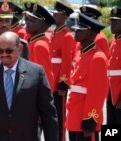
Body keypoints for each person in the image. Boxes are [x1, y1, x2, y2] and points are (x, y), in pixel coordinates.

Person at [0, 31, 58, 141]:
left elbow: (48, 113)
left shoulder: (36, 72)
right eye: (0, 51)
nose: (4, 54)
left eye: (9, 50)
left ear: (19, 49)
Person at [66, 13, 108, 141]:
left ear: (90, 33)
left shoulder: (98, 57)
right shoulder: (81, 53)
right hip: (74, 114)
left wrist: (90, 119)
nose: (76, 31)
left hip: (85, 117)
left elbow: (96, 93)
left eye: (80, 30)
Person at [50, 1, 76, 141]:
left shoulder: (67, 36)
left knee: (60, 117)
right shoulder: (55, 33)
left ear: (65, 16)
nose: (54, 15)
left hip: (58, 83)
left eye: (58, 13)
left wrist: (63, 83)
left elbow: (66, 62)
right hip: (51, 80)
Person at [24, 3, 55, 91]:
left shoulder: (39, 45)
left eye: (32, 21)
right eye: (27, 19)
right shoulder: (34, 41)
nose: (27, 23)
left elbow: (46, 76)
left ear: (42, 25)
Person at [107, 7, 121, 124]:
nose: (112, 24)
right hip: (111, 92)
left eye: (116, 22)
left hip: (119, 96)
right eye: (112, 21)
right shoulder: (114, 40)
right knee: (111, 129)